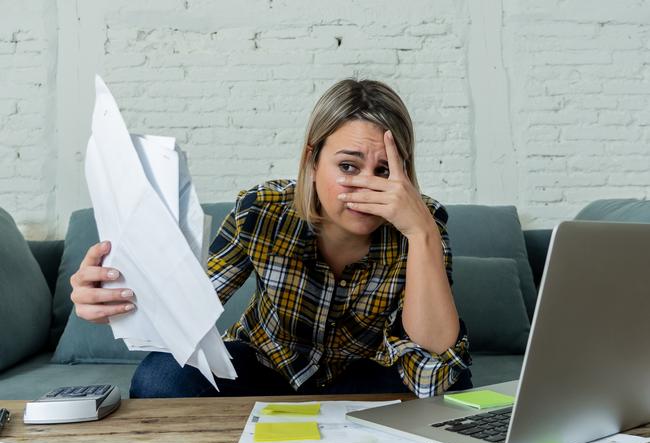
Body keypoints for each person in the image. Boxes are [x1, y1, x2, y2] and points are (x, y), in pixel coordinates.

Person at [70, 79, 472, 399]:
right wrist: (117, 293)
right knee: (161, 376)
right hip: (267, 370)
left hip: (363, 378)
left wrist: (421, 234)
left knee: (450, 383)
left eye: (384, 171)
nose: (367, 185)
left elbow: (434, 348)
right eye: (348, 166)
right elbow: (191, 301)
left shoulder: (422, 220)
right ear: (311, 161)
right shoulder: (261, 210)